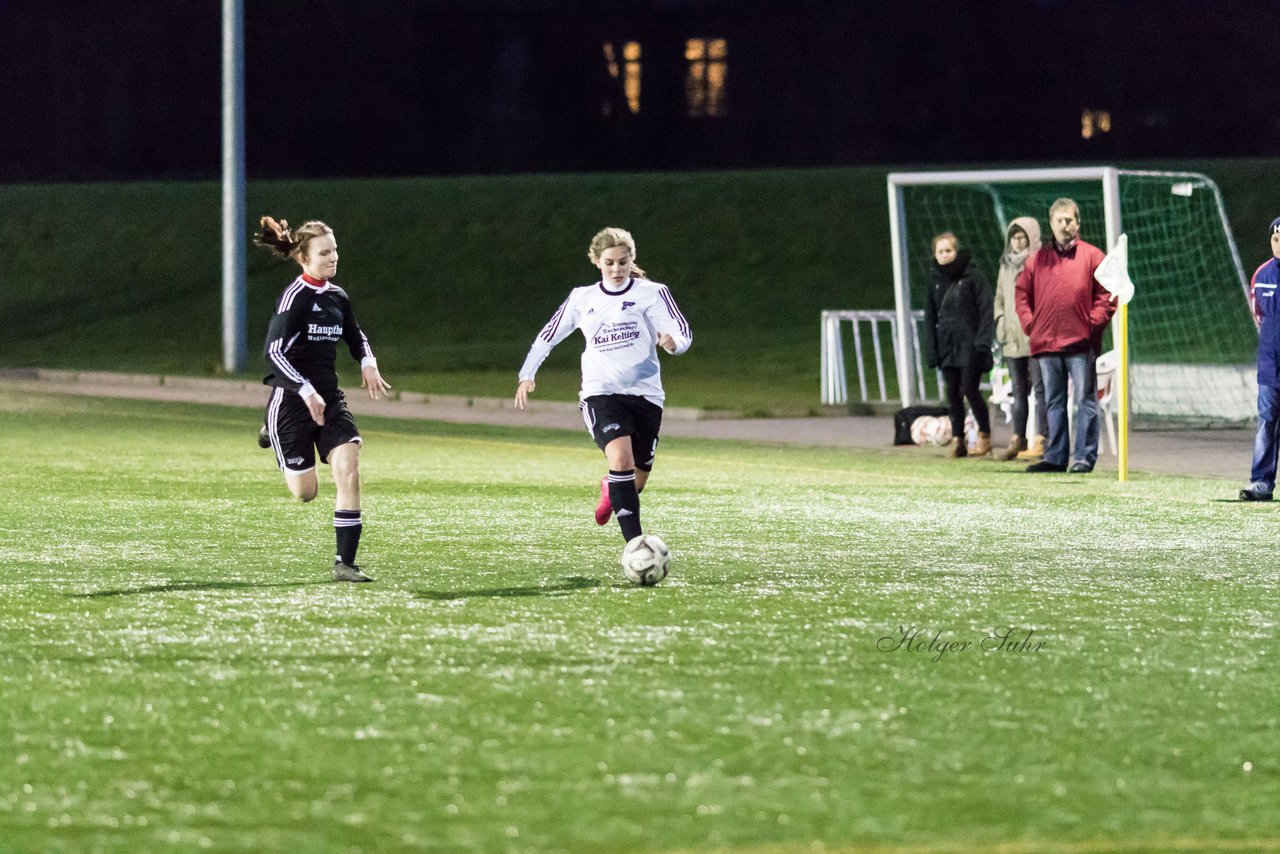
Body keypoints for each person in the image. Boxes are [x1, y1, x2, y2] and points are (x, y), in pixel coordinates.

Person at [514, 227, 692, 544]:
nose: (616, 269)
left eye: (623, 262)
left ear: (631, 259)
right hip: (601, 394)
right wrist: (527, 374)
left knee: (634, 482)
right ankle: (636, 546)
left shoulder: (652, 293)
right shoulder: (583, 299)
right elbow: (547, 336)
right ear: (597, 261)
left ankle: (611, 487)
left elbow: (680, 331)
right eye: (609, 263)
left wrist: (673, 343)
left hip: (647, 396)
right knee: (620, 460)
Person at [255, 217, 392, 581]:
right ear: (303, 258)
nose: (333, 257)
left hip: (329, 399)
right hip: (291, 401)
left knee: (349, 467)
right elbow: (273, 354)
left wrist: (368, 360)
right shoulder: (294, 299)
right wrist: (304, 388)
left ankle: (344, 564)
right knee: (306, 493)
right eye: (324, 252)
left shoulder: (337, 297)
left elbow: (355, 333)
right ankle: (272, 430)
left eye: (335, 250)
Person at [1015, 198, 1116, 474]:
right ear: (1051, 223)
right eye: (1060, 220)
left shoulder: (1093, 256)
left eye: (1069, 219)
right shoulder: (1037, 260)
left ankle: (1083, 458)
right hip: (1046, 342)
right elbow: (1022, 294)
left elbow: (1109, 294)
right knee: (1054, 401)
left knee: (1086, 400)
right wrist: (1031, 324)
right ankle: (1056, 457)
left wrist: (1091, 323)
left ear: (1078, 223)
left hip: (1081, 343)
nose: (1065, 224)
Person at [923, 231, 994, 458]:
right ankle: (958, 439)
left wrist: (982, 341)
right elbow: (930, 317)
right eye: (940, 251)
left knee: (969, 389)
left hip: (970, 343)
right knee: (952, 392)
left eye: (948, 250)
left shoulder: (972, 276)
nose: (944, 255)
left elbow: (985, 309)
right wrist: (932, 349)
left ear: (956, 251)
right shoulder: (934, 280)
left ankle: (984, 435)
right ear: (934, 254)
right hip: (947, 344)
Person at [992, 216, 1047, 460]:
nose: (1016, 240)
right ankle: (1018, 438)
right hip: (1012, 339)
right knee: (1018, 390)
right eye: (1013, 236)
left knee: (1040, 390)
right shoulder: (1005, 265)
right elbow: (999, 299)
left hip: (1034, 337)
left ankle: (1042, 439)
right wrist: (1001, 321)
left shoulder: (1041, 263)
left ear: (1031, 238)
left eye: (1021, 236)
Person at [1240, 216, 1280, 501]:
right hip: (1270, 366)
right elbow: (1259, 316)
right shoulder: (1262, 276)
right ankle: (1261, 482)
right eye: (1276, 240)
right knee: (1266, 423)